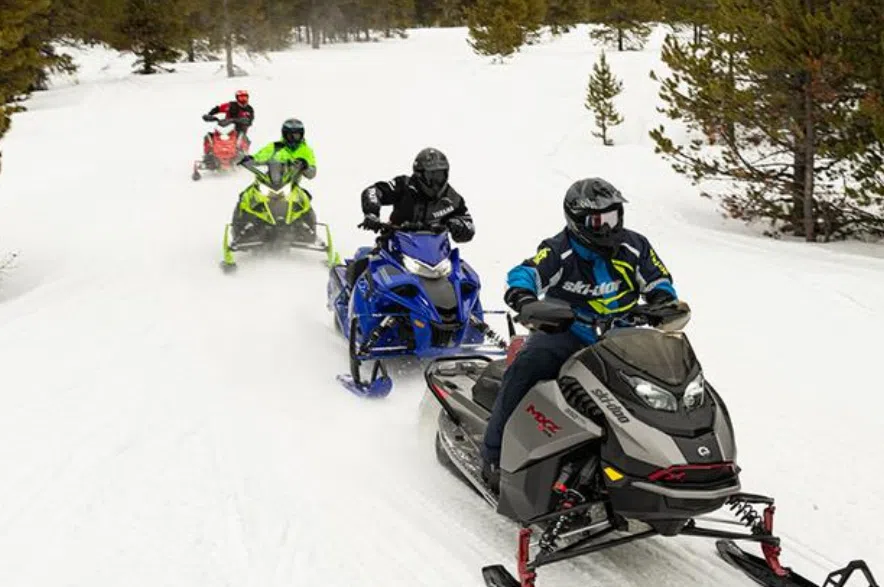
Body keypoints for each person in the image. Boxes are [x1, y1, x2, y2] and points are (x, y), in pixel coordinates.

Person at [480, 178, 680, 492]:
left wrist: (662, 301)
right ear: (577, 221)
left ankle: (664, 460)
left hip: (622, 337)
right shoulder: (559, 249)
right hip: (567, 333)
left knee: (662, 384)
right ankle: (494, 455)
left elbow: (658, 278)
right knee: (526, 368)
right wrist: (525, 298)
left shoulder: (635, 246)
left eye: (613, 217)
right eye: (598, 221)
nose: (608, 228)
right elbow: (526, 273)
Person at [347, 147, 475, 285]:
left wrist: (459, 226)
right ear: (419, 174)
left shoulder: (452, 199)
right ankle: (349, 295)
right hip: (395, 247)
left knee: (467, 279)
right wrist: (372, 214)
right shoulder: (404, 185)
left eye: (440, 176)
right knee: (363, 269)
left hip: (437, 256)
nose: (436, 182)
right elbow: (374, 191)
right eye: (431, 176)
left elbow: (468, 224)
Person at [231, 119, 317, 243]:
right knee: (245, 196)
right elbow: (259, 157)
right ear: (284, 134)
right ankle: (240, 231)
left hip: (291, 184)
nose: (294, 139)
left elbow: (312, 173)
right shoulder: (275, 147)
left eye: (297, 135)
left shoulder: (306, 151)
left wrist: (305, 166)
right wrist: (249, 159)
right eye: (290, 135)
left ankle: (309, 230)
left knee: (305, 199)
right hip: (270, 182)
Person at [202, 90, 255, 167]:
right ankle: (209, 154)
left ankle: (242, 157)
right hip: (226, 128)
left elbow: (250, 121)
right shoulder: (230, 105)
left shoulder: (249, 109)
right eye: (241, 97)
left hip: (239, 130)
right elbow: (218, 108)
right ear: (237, 98)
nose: (243, 99)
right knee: (209, 136)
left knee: (243, 139)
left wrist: (240, 120)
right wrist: (210, 115)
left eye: (245, 97)